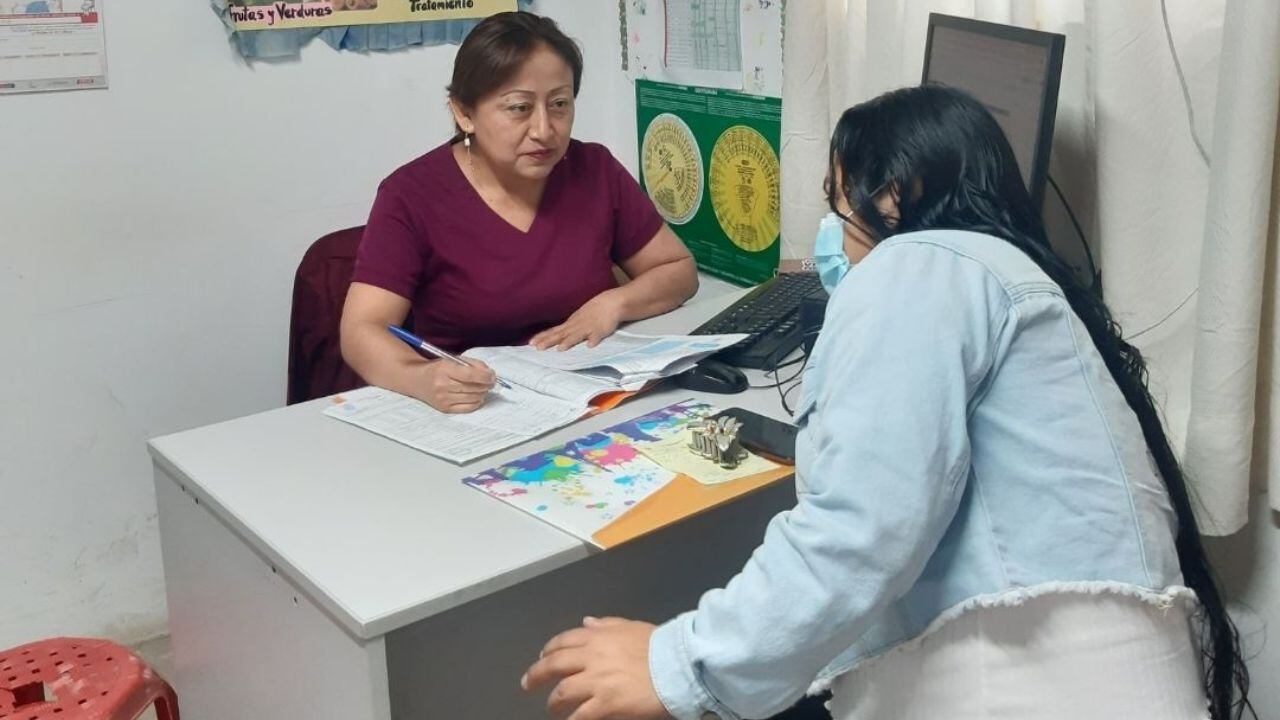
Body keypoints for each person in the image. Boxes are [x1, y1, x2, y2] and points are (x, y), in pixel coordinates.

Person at [521, 86, 1254, 720]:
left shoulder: (919, 263)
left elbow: (864, 525)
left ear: (895, 193)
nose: (837, 239)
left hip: (1022, 685)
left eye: (842, 210)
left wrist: (676, 662)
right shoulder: (1016, 275)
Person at [340, 12, 698, 414]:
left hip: (589, 397)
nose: (545, 130)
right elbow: (361, 329)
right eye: (519, 108)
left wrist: (615, 303)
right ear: (464, 114)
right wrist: (419, 378)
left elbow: (678, 270)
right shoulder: (411, 195)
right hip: (474, 408)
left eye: (559, 104)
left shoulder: (594, 169)